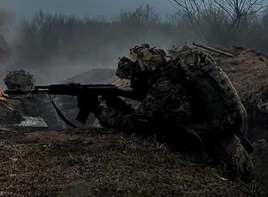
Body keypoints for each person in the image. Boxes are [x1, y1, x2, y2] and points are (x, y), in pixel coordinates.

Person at [93, 43, 253, 181]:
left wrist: (101, 111)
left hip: (223, 161)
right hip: (234, 153)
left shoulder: (163, 89)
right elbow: (149, 118)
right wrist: (116, 103)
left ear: (145, 73)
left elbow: (135, 124)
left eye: (134, 78)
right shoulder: (175, 78)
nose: (133, 83)